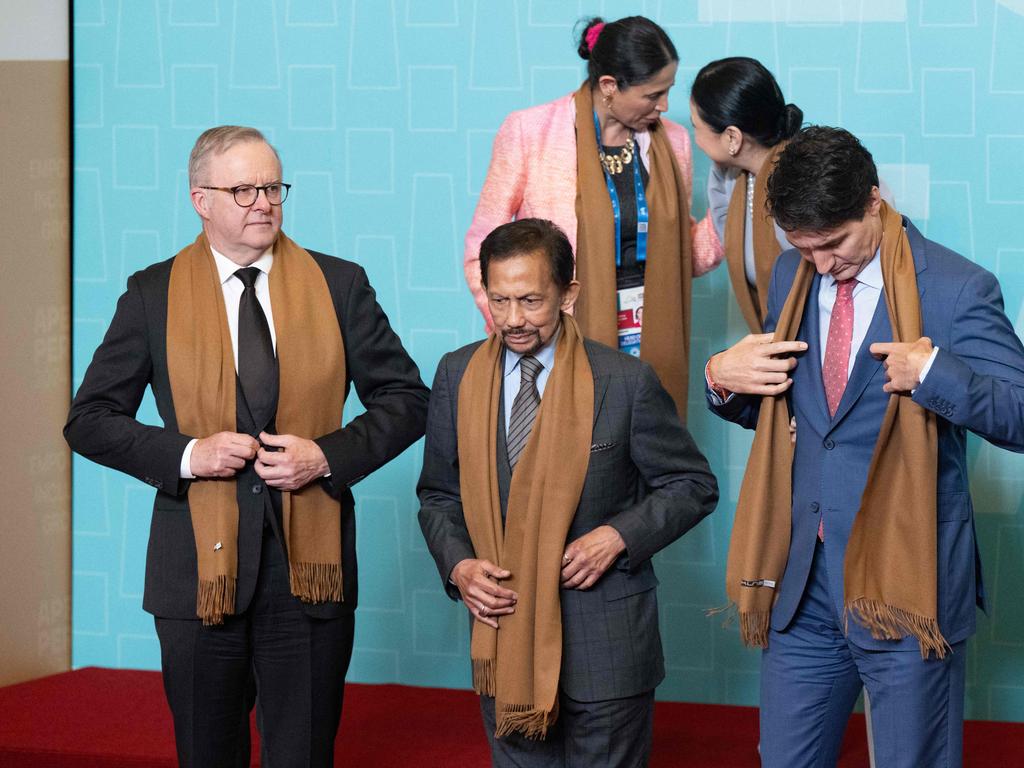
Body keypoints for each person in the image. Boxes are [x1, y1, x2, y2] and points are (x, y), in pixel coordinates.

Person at [64, 126, 430, 768]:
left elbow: (408, 400)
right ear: (200, 199)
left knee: (304, 756)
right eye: (243, 189)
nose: (263, 202)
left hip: (308, 579)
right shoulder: (154, 293)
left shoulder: (340, 284)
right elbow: (89, 419)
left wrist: (326, 457)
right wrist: (188, 456)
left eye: (272, 187)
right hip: (195, 578)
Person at [705, 126, 1024, 767]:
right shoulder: (793, 274)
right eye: (803, 246)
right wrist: (721, 379)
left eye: (834, 243)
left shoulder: (958, 290)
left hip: (907, 582)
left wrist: (936, 377)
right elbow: (801, 420)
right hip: (802, 582)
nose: (820, 265)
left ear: (874, 201)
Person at [419, 218, 718, 767]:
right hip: (503, 637)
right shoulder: (455, 374)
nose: (513, 320)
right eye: (499, 300)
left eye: (531, 300)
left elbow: (692, 485)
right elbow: (438, 495)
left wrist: (618, 536)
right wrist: (459, 567)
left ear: (568, 294)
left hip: (606, 646)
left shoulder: (625, 382)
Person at [464, 16, 724, 419]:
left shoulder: (673, 141)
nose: (664, 106)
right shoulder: (529, 131)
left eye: (668, 91)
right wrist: (518, 323)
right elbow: (482, 247)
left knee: (645, 454)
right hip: (559, 336)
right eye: (652, 94)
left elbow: (687, 254)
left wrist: (739, 189)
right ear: (609, 87)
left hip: (650, 335)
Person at [689, 56, 803, 332]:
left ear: (732, 137)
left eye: (696, 127)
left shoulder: (803, 177)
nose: (695, 139)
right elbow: (709, 242)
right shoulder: (729, 180)